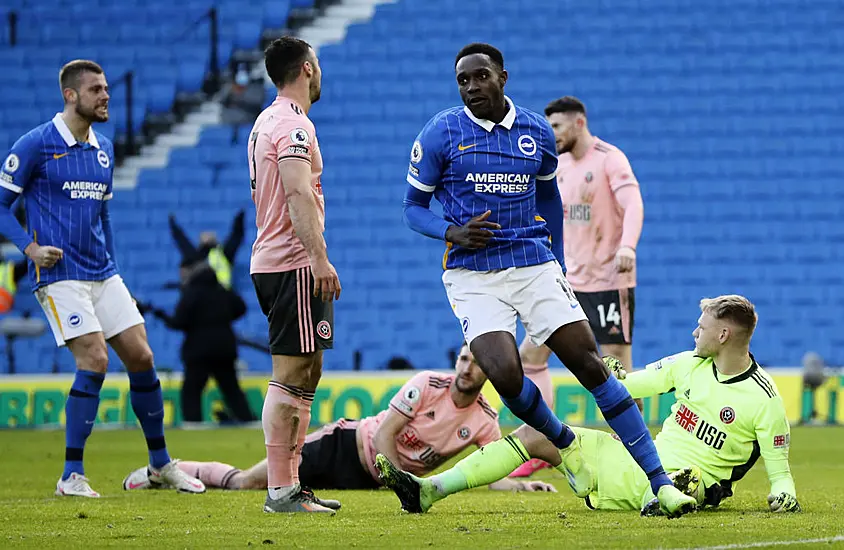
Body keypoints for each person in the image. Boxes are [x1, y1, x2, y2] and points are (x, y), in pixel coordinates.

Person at [400, 42, 695, 517]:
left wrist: (555, 257)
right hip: (473, 275)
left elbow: (549, 199)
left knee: (591, 365)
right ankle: (564, 446)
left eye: (481, 77)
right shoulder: (440, 133)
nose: (472, 87)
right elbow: (412, 208)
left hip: (534, 266)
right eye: (463, 80)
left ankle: (660, 483)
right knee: (505, 374)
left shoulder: (535, 131)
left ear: (503, 77)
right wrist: (451, 231)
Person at [378, 295, 800, 515]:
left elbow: (780, 476)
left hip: (677, 481)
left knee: (690, 481)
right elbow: (628, 385)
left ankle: (676, 494)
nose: (695, 332)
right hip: (637, 462)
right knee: (532, 435)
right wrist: (612, 373)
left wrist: (782, 494)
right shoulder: (687, 365)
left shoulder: (764, 401)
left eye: (703, 327)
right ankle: (429, 490)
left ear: (723, 336)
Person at [0, 60, 204, 497]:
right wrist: (29, 249)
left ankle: (159, 466)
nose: (106, 95)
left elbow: (103, 212)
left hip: (102, 272)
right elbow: (1, 204)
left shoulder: (104, 149)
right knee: (94, 360)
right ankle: (71, 475)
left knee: (143, 357)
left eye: (107, 88)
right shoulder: (35, 145)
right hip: (59, 276)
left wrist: (111, 260)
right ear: (71, 95)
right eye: (96, 89)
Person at [122, 344, 555, 500]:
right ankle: (166, 472)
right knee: (248, 483)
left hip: (371, 481)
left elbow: (487, 469)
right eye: (463, 357)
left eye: (477, 362)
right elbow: (385, 433)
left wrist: (521, 484)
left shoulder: (482, 419)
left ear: (488, 372)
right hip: (344, 444)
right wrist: (400, 480)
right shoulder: (426, 383)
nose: (466, 367)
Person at [248, 37, 341, 514]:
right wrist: (319, 259)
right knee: (290, 374)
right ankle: (281, 491)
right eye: (318, 65)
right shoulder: (292, 125)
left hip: (279, 260)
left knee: (307, 370)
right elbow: (297, 195)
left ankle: (290, 485)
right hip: (291, 263)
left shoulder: (269, 120)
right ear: (307, 69)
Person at [140, 261, 256, 424]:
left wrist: (162, 315)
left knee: (192, 391)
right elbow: (241, 307)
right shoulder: (222, 291)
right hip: (224, 348)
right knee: (231, 389)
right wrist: (223, 319)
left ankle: (193, 423)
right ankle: (247, 420)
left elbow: (178, 322)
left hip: (198, 351)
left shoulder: (191, 293)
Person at [168, 209, 245, 290]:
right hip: (221, 297)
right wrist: (239, 219)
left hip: (202, 298)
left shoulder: (194, 257)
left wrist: (173, 225)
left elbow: (182, 241)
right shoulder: (223, 255)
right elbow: (236, 237)